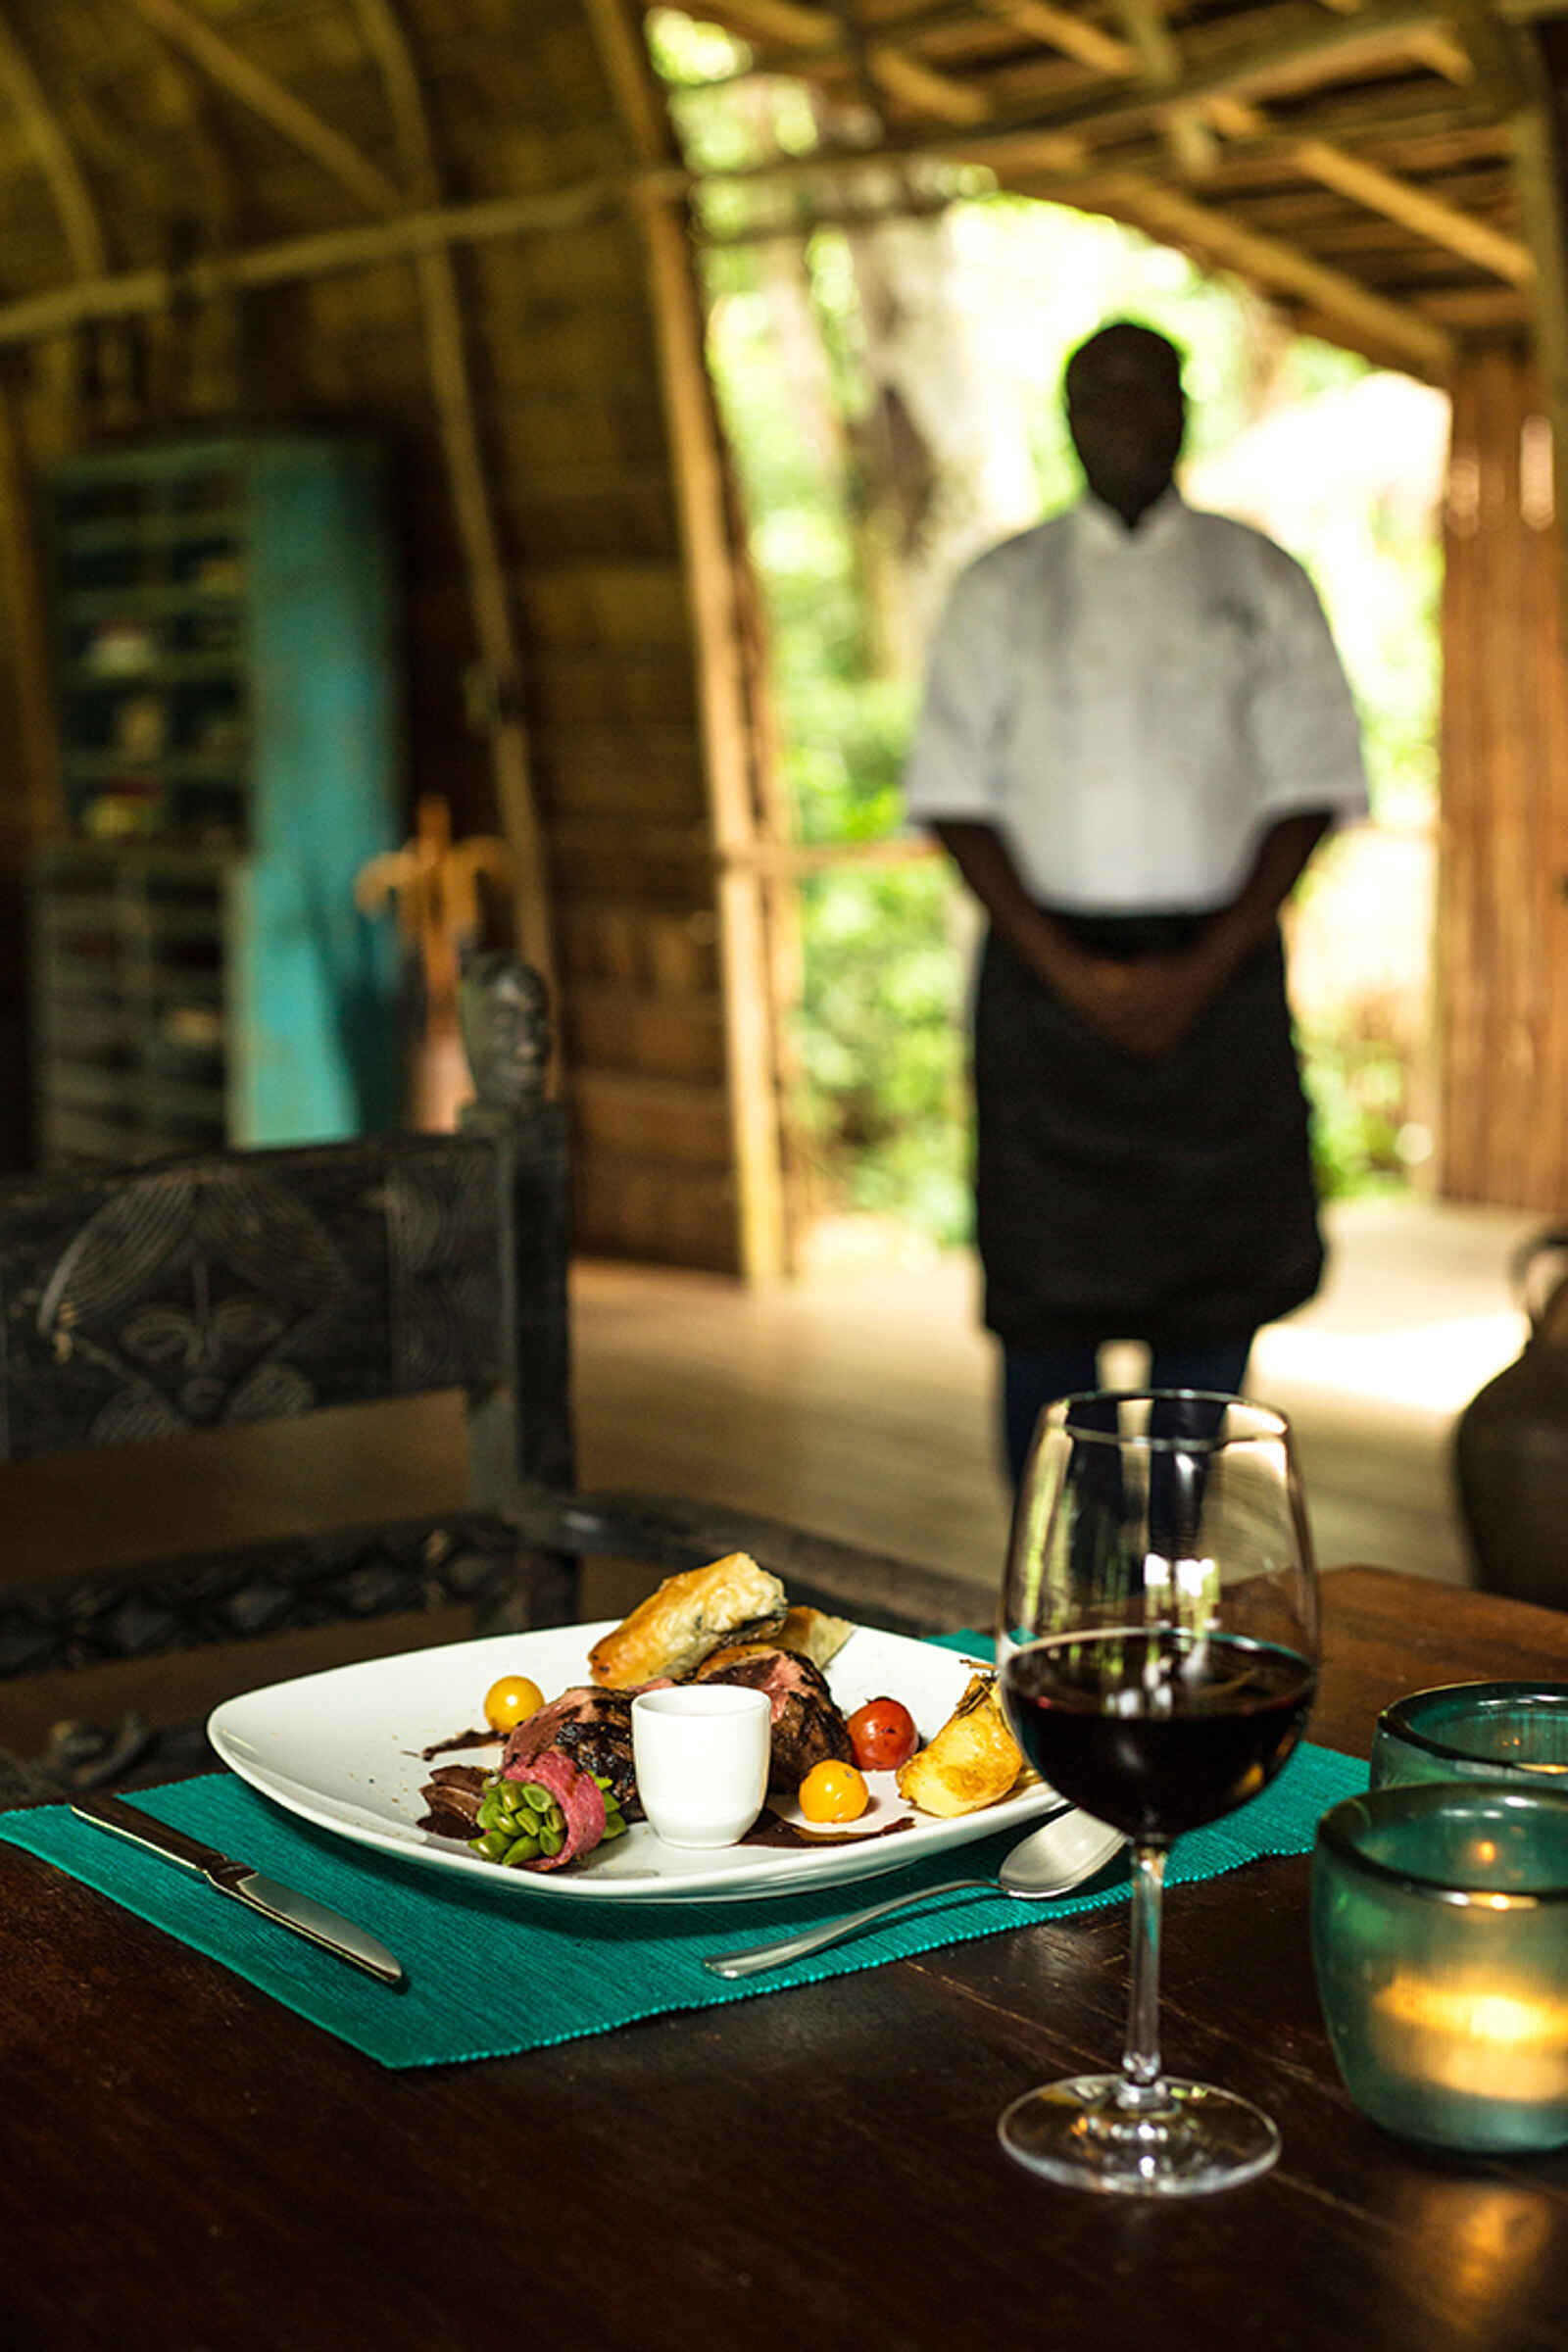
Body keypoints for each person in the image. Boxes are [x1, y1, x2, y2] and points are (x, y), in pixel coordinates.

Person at [903, 318, 1369, 1487]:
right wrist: (1077, 975)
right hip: (1042, 980)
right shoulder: (1002, 587)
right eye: (1094, 393)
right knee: (1045, 1303)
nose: (1120, 412)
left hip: (1218, 977)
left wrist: (1191, 975)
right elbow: (953, 797)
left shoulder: (1255, 576)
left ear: (1182, 408)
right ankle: (1054, 1590)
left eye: (1143, 389)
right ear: (1064, 417)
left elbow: (1312, 784)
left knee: (1213, 1294)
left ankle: (1184, 1564)